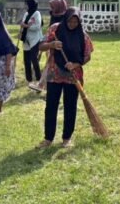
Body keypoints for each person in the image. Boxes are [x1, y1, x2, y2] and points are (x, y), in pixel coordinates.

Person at [37, 8, 94, 148]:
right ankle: (48, 138)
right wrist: (51, 44)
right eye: (70, 21)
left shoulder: (83, 36)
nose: (72, 24)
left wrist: (75, 64)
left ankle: (67, 138)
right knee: (51, 106)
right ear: (65, 19)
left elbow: (87, 56)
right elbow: (41, 46)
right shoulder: (55, 29)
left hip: (72, 76)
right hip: (54, 74)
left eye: (75, 22)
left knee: (70, 106)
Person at [29, 0, 68, 93]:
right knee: (50, 65)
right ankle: (42, 85)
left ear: (59, 6)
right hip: (51, 44)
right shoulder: (54, 14)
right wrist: (47, 42)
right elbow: (50, 29)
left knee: (51, 66)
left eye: (53, 6)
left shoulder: (66, 17)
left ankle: (42, 85)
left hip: (61, 46)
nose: (51, 8)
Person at [20, 0, 43, 85]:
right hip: (26, 39)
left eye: (26, 4)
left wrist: (26, 26)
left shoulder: (37, 13)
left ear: (30, 5)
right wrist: (23, 27)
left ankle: (38, 78)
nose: (25, 6)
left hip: (35, 39)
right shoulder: (26, 14)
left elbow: (37, 26)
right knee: (26, 60)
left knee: (34, 59)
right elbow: (23, 24)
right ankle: (29, 79)